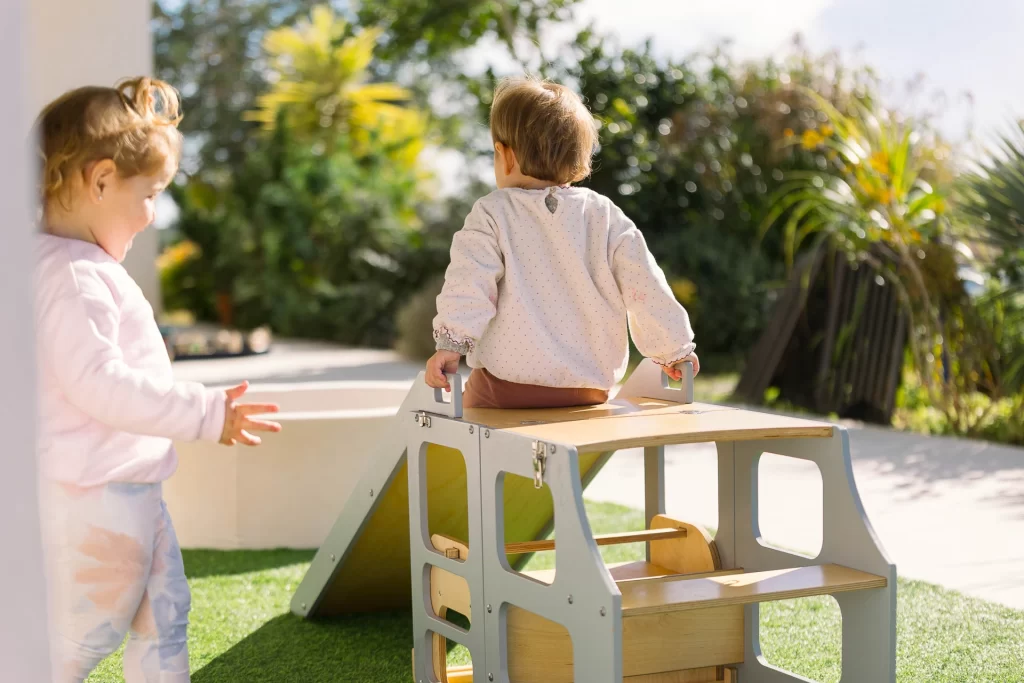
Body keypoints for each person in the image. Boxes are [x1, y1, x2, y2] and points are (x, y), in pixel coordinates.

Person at [32, 76, 281, 682]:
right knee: (86, 634)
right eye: (150, 195)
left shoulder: (68, 265)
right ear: (99, 182)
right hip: (98, 497)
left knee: (164, 614)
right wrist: (206, 413)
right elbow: (99, 382)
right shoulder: (73, 276)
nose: (153, 215)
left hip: (130, 484)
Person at [425, 76, 699, 409]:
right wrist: (674, 349)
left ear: (504, 155)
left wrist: (451, 345)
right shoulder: (604, 214)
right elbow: (645, 284)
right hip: (590, 390)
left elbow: (469, 282)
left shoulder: (493, 212)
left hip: (504, 388)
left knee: (460, 424)